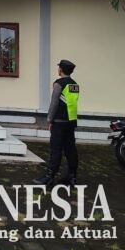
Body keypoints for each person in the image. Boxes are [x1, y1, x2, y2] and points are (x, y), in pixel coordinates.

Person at [34, 59, 79, 187]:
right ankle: (72, 177)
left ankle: (49, 177)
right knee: (70, 149)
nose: (58, 69)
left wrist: (49, 120)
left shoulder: (59, 84)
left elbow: (54, 103)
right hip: (71, 122)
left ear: (61, 69)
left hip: (59, 122)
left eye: (59, 67)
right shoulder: (75, 85)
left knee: (56, 150)